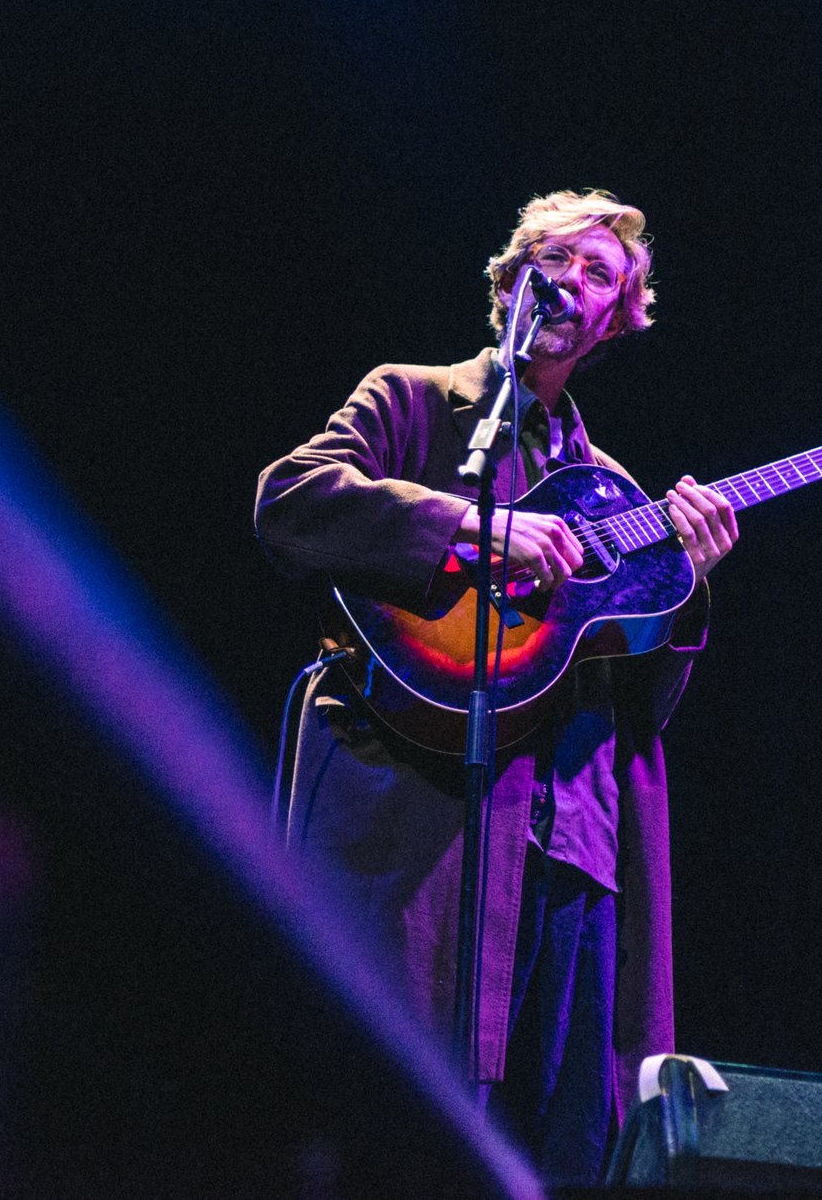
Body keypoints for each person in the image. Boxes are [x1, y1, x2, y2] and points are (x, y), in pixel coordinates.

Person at [253, 189, 737, 1182]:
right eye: (549, 257)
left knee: (544, 1147)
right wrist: (474, 528)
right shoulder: (416, 400)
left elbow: (639, 710)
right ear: (511, 279)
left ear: (617, 318)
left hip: (567, 848)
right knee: (384, 1116)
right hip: (417, 824)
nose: (568, 276)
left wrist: (686, 589)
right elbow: (290, 499)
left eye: (599, 272)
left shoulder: (614, 491)